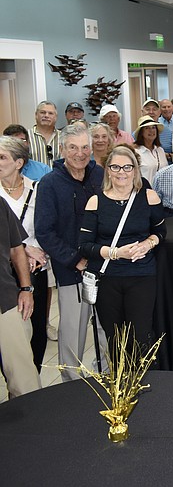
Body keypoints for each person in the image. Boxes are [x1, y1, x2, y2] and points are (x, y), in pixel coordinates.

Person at [35, 122, 108, 380]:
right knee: (72, 338)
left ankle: (112, 380)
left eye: (85, 147)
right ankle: (72, 390)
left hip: (105, 267)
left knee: (107, 331)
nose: (80, 153)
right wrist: (76, 260)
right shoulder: (49, 184)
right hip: (71, 274)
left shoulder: (100, 175)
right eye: (73, 147)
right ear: (63, 149)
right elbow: (44, 232)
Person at [78, 146, 166, 350]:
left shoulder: (149, 197)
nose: (121, 172)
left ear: (135, 170)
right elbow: (84, 246)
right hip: (108, 278)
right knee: (115, 339)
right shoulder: (96, 202)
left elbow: (161, 232)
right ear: (107, 170)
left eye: (127, 167)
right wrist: (115, 253)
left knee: (141, 336)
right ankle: (120, 381)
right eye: (115, 167)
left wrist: (147, 243)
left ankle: (144, 381)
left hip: (142, 276)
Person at [0, 136, 50, 370]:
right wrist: (23, 247)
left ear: (19, 162)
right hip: (5, 274)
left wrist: (38, 252)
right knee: (9, 337)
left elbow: (47, 228)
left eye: (2, 157)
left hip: (34, 270)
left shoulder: (37, 189)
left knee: (36, 330)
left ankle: (32, 384)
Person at [0, 194, 41, 397]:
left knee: (24, 378)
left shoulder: (0, 204)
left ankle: (29, 425)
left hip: (5, 299)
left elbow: (17, 249)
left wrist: (26, 289)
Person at [133, 116, 167, 184]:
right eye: (147, 128)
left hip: (163, 191)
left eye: (153, 127)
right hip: (145, 191)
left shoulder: (160, 150)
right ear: (141, 132)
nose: (151, 130)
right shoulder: (136, 152)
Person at [28, 101, 59, 167]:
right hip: (34, 177)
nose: (46, 116)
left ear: (56, 117)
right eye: (43, 112)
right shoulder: (26, 136)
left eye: (50, 113)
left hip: (59, 177)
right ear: (36, 115)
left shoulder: (63, 137)